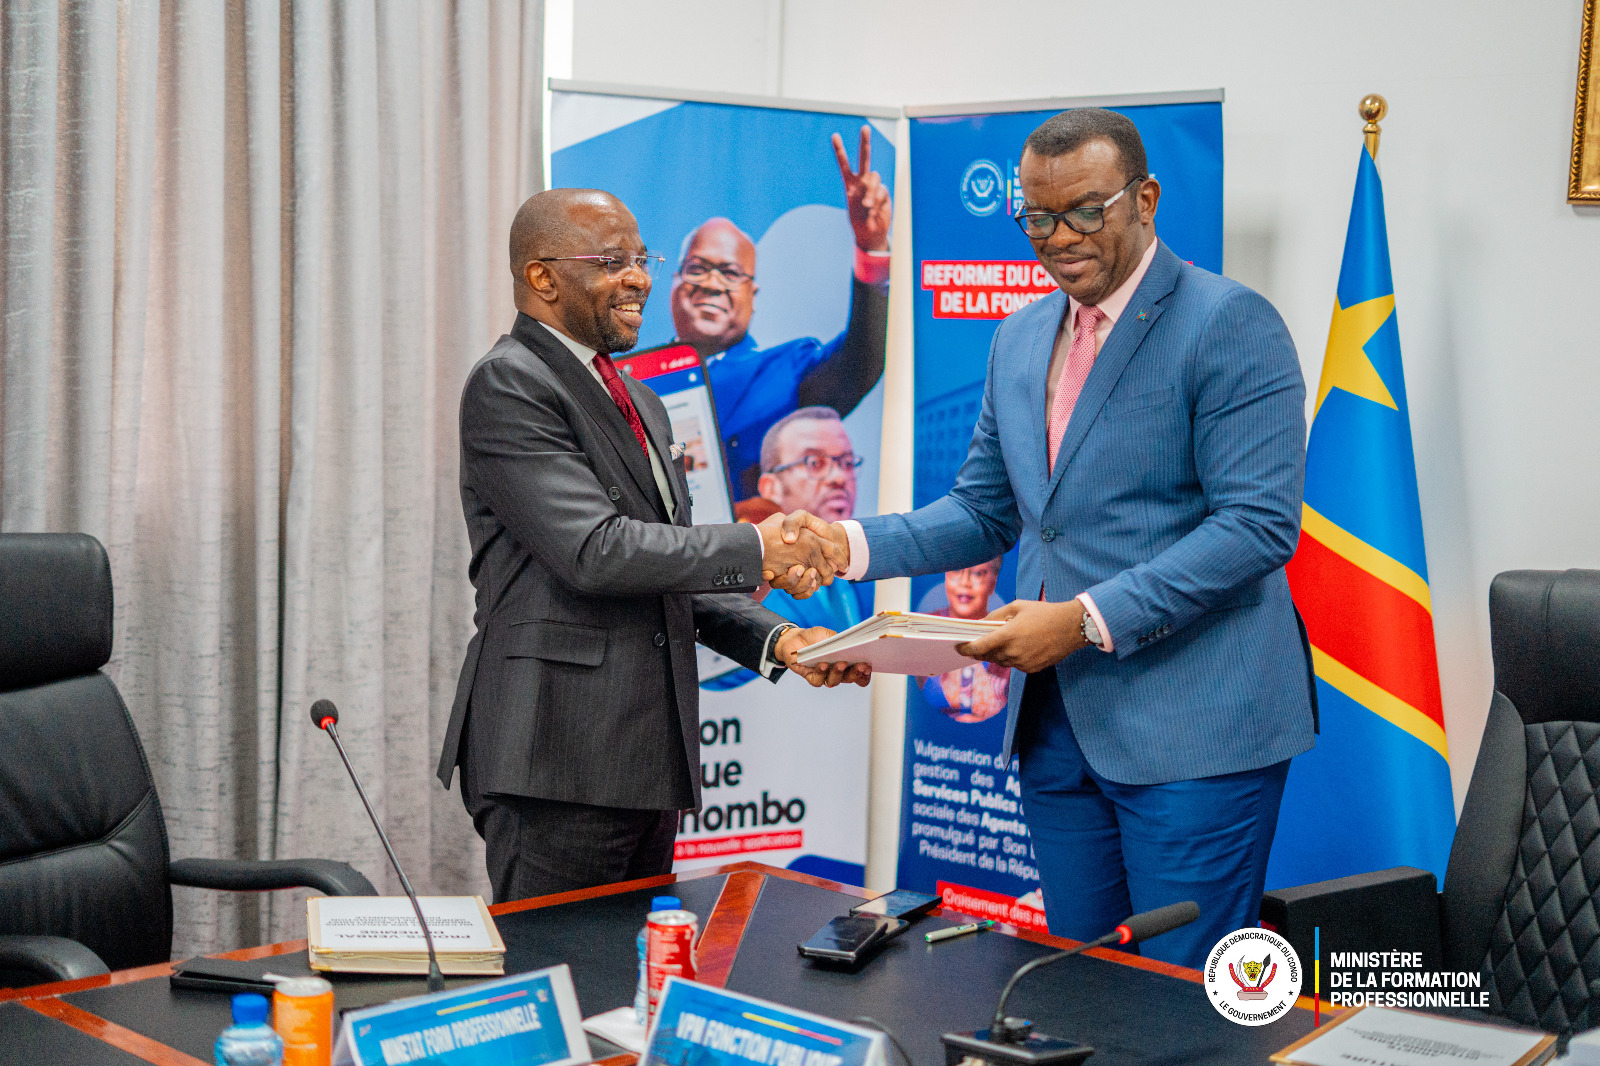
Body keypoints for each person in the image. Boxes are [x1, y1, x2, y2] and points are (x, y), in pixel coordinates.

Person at [796, 108, 1317, 968]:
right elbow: (983, 511)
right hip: (1058, 731)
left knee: (1177, 999)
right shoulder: (1021, 335)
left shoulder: (1229, 322)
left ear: (1145, 199)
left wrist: (1080, 620)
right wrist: (843, 545)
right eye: (1037, 217)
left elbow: (1256, 526)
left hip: (1195, 733)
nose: (1059, 238)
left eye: (1084, 211)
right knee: (1078, 979)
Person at [436, 188, 865, 903]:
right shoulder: (509, 383)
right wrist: (759, 548)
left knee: (637, 967)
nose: (639, 278)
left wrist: (783, 641)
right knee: (561, 966)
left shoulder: (642, 401)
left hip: (647, 760)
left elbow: (666, 563)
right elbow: (597, 551)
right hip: (556, 760)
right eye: (612, 262)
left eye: (641, 259)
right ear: (542, 277)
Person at [669, 127, 892, 498]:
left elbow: (860, 363)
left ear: (753, 294)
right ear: (674, 281)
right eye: (697, 268)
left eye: (730, 273)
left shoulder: (787, 371)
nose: (711, 283)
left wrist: (871, 249)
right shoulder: (630, 378)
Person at [918, 558, 1009, 723]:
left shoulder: (1007, 638)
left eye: (978, 573)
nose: (965, 582)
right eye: (955, 571)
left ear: (993, 582)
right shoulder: (922, 630)